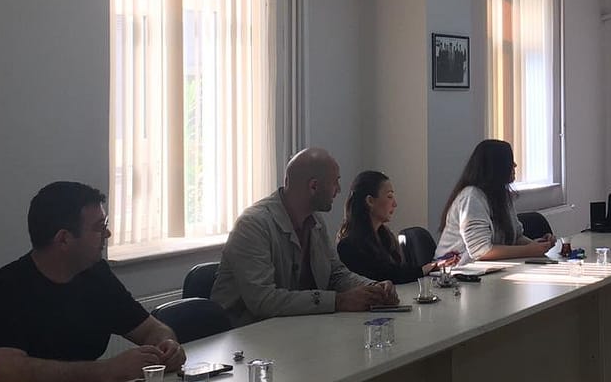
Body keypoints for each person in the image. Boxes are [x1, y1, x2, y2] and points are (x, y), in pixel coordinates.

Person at [0, 181, 185, 382]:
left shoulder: (96, 276)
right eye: (99, 227)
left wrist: (167, 347)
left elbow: (151, 330)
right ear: (64, 239)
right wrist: (108, 370)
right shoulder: (3, 289)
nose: (107, 234)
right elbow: (12, 374)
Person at [213, 148, 398, 326]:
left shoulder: (315, 222)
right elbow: (263, 300)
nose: (339, 190)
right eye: (335, 182)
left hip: (291, 329)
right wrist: (338, 301)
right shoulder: (253, 225)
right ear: (314, 186)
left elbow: (335, 274)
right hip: (244, 336)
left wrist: (373, 288)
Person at [437, 139, 556, 263]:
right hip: (455, 270)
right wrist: (529, 250)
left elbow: (515, 238)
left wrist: (539, 246)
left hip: (487, 269)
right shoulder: (471, 197)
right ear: (496, 166)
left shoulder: (500, 194)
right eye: (509, 161)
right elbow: (481, 251)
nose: (515, 165)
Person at [336, 171, 458, 283]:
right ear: (370, 201)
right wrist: (425, 269)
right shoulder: (349, 246)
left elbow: (398, 271)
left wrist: (432, 266)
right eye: (389, 196)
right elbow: (386, 276)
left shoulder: (384, 236)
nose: (395, 204)